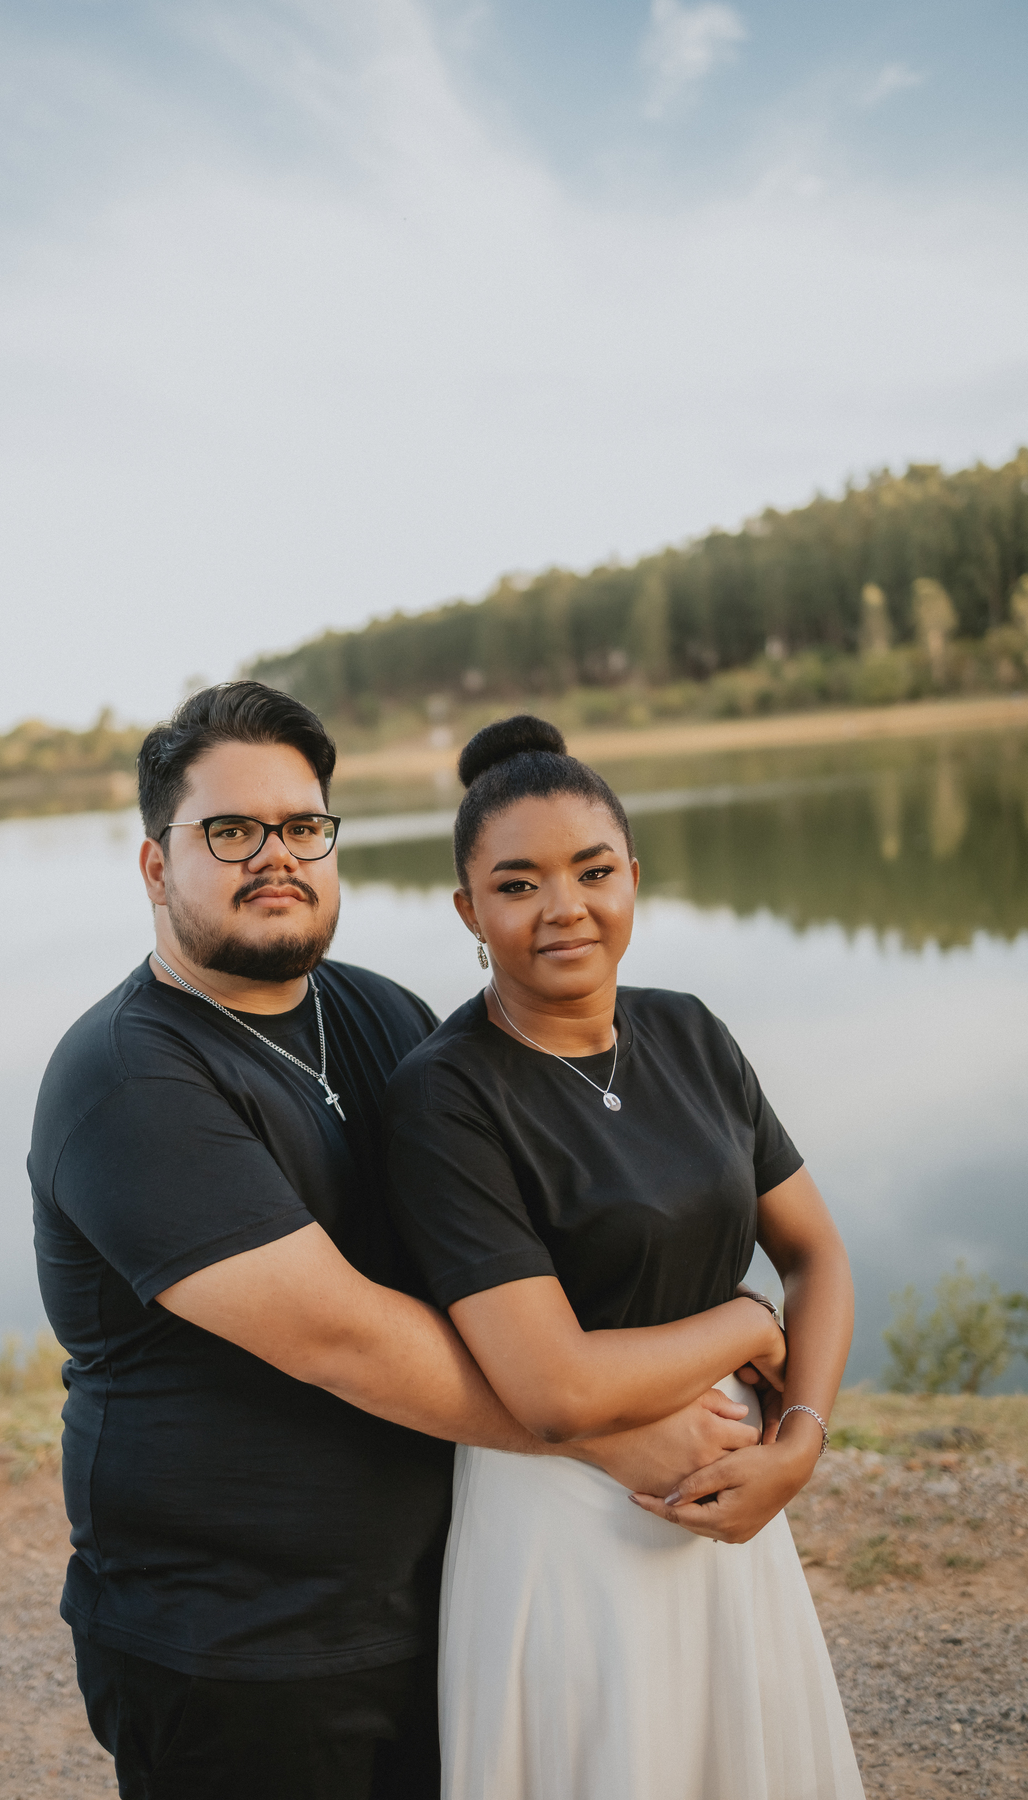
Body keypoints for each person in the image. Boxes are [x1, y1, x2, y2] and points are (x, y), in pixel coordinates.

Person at [28, 681, 776, 1800]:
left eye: (303, 826)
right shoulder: (127, 1078)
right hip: (239, 1646)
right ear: (154, 865)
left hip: (445, 1596)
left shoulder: (380, 1015)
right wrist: (605, 1430)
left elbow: (508, 1250)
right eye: (229, 831)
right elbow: (346, 1339)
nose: (274, 856)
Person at [383, 714, 865, 1800]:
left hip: (737, 1493)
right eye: (517, 885)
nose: (565, 908)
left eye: (593, 871)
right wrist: (746, 1325)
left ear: (633, 879)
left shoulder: (689, 1032)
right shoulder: (445, 1096)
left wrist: (798, 1445)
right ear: (468, 911)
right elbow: (553, 1391)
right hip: (566, 1526)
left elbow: (817, 1252)